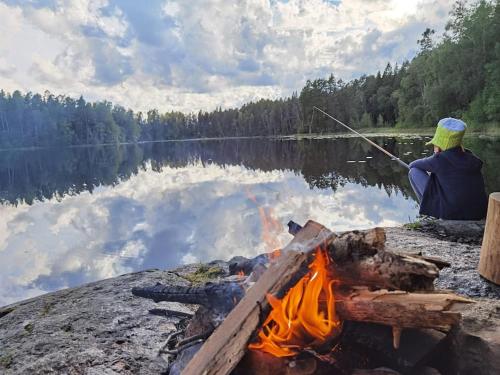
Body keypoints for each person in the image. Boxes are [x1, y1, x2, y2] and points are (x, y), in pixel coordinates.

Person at [408, 117, 488, 220]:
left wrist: (434, 156)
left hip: (451, 215)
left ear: (440, 143)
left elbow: (412, 165)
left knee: (414, 172)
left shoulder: (439, 159)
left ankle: (430, 213)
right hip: (478, 213)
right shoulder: (471, 157)